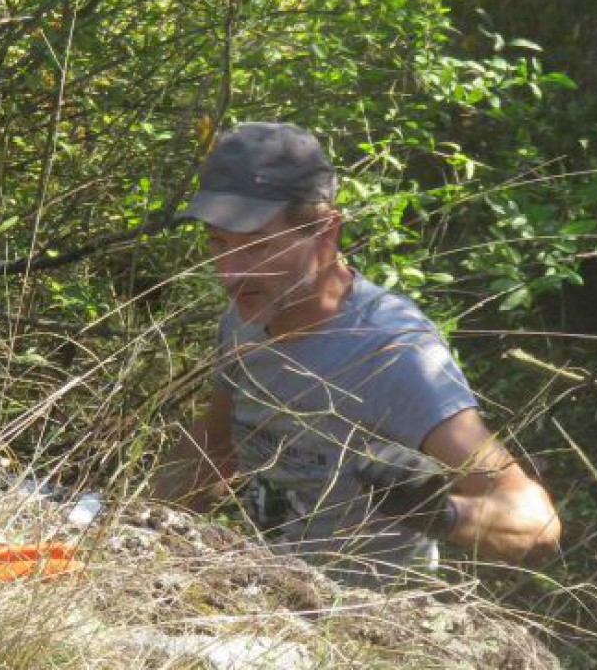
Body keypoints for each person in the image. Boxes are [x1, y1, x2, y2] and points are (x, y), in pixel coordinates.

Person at [158, 121, 560, 584]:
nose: (230, 274)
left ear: (326, 232)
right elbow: (214, 447)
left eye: (259, 248)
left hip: (371, 630)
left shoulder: (394, 353)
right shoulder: (245, 318)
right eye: (218, 244)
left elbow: (535, 522)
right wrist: (124, 526)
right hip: (266, 598)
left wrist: (440, 514)